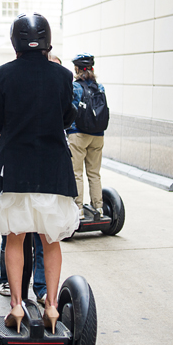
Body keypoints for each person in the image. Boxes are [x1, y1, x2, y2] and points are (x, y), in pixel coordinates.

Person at [0, 13, 78, 334]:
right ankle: (51, 306)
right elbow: (67, 118)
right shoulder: (63, 76)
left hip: (16, 170)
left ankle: (16, 307)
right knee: (50, 239)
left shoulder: (4, 75)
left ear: (16, 43)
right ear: (47, 41)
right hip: (53, 169)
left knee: (15, 236)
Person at [68, 53, 106, 220]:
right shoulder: (100, 87)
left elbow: (71, 110)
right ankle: (99, 208)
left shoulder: (75, 87)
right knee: (94, 173)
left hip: (78, 134)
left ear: (77, 69)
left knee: (77, 173)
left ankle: (79, 210)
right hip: (98, 135)